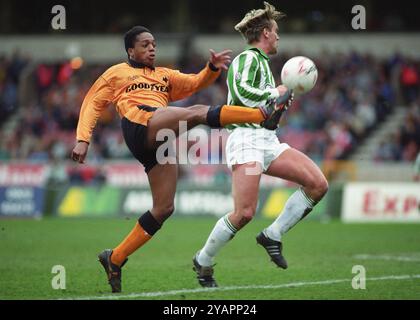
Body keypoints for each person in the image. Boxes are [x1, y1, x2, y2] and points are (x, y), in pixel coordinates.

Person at [71, 25, 292, 293]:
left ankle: (114, 258)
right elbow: (93, 101)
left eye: (153, 43)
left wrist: (210, 69)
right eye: (144, 44)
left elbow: (194, 83)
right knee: (197, 112)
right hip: (140, 124)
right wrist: (83, 139)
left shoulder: (165, 75)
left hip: (158, 138)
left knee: (163, 208)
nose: (151, 47)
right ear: (130, 50)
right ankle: (260, 115)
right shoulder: (116, 73)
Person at [192, 2, 329, 287]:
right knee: (244, 213)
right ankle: (203, 260)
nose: (278, 37)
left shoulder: (264, 65)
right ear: (265, 33)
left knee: (318, 184)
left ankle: (273, 234)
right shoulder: (248, 58)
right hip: (245, 139)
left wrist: (278, 107)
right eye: (276, 31)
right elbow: (240, 92)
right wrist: (274, 93)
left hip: (266, 140)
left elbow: (265, 114)